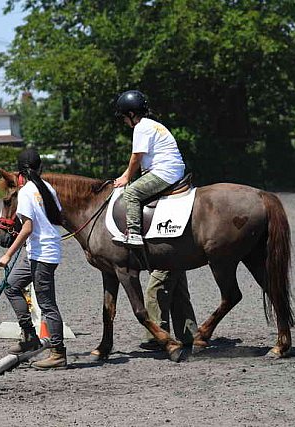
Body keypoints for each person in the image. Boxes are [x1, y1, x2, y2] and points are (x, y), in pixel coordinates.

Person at [0, 148, 67, 370]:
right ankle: (29, 336)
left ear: (20, 173)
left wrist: (8, 254)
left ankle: (58, 353)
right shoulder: (48, 188)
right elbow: (57, 217)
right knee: (11, 286)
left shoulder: (27, 191)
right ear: (40, 168)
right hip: (39, 252)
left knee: (47, 305)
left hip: (42, 255)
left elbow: (27, 227)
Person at [113, 90, 186, 247]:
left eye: (124, 117)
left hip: (163, 172)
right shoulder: (154, 125)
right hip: (173, 171)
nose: (124, 121)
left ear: (132, 114)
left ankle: (134, 234)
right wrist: (126, 174)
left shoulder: (141, 127)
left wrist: (126, 178)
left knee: (131, 193)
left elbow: (136, 157)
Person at [140, 270, 198, 351]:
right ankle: (188, 335)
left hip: (165, 261)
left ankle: (158, 337)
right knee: (178, 290)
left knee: (154, 293)